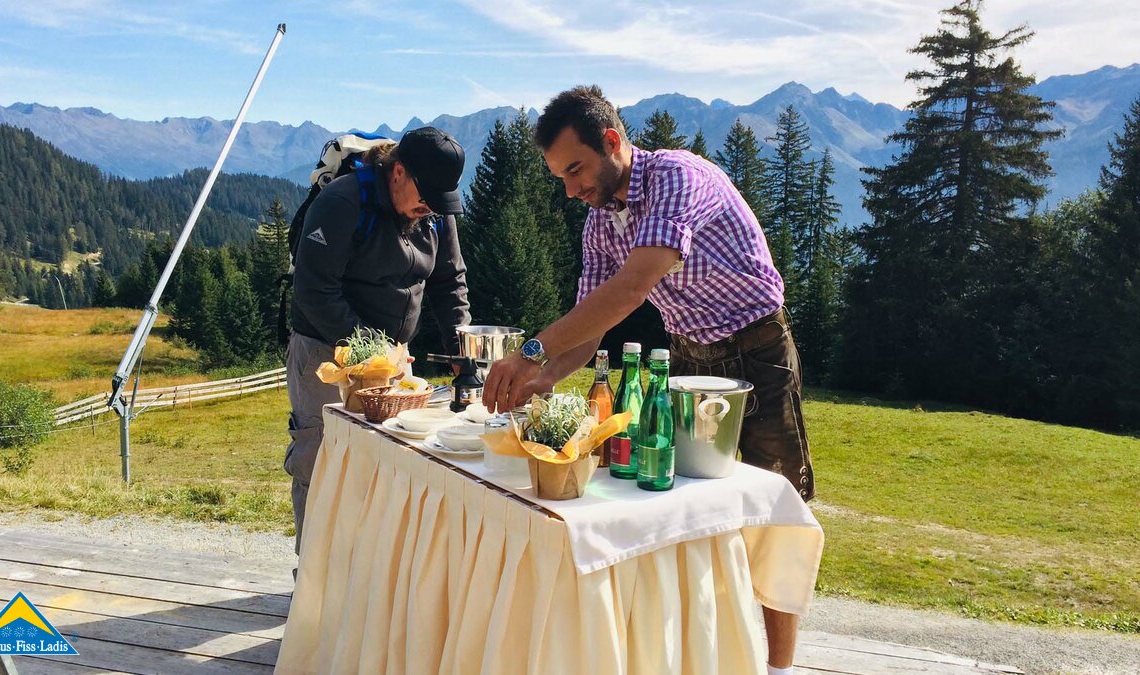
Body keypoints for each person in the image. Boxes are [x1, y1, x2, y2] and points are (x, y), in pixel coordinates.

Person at [483, 85, 813, 674]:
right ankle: (708, 657)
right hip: (687, 360)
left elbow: (633, 287)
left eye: (577, 169)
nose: (572, 189)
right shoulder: (599, 223)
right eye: (561, 177)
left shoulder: (674, 178)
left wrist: (530, 349)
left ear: (612, 141)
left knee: (771, 512)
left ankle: (780, 668)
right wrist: (539, 377)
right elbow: (589, 332)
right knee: (691, 511)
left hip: (756, 353)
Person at [284, 126, 470, 556]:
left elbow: (450, 281)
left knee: (388, 466)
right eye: (425, 199)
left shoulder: (435, 209)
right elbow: (314, 292)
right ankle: (314, 581)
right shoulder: (343, 203)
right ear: (398, 172)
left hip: (392, 358)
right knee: (322, 461)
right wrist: (371, 351)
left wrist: (464, 353)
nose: (430, 211)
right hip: (324, 351)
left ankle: (368, 584)